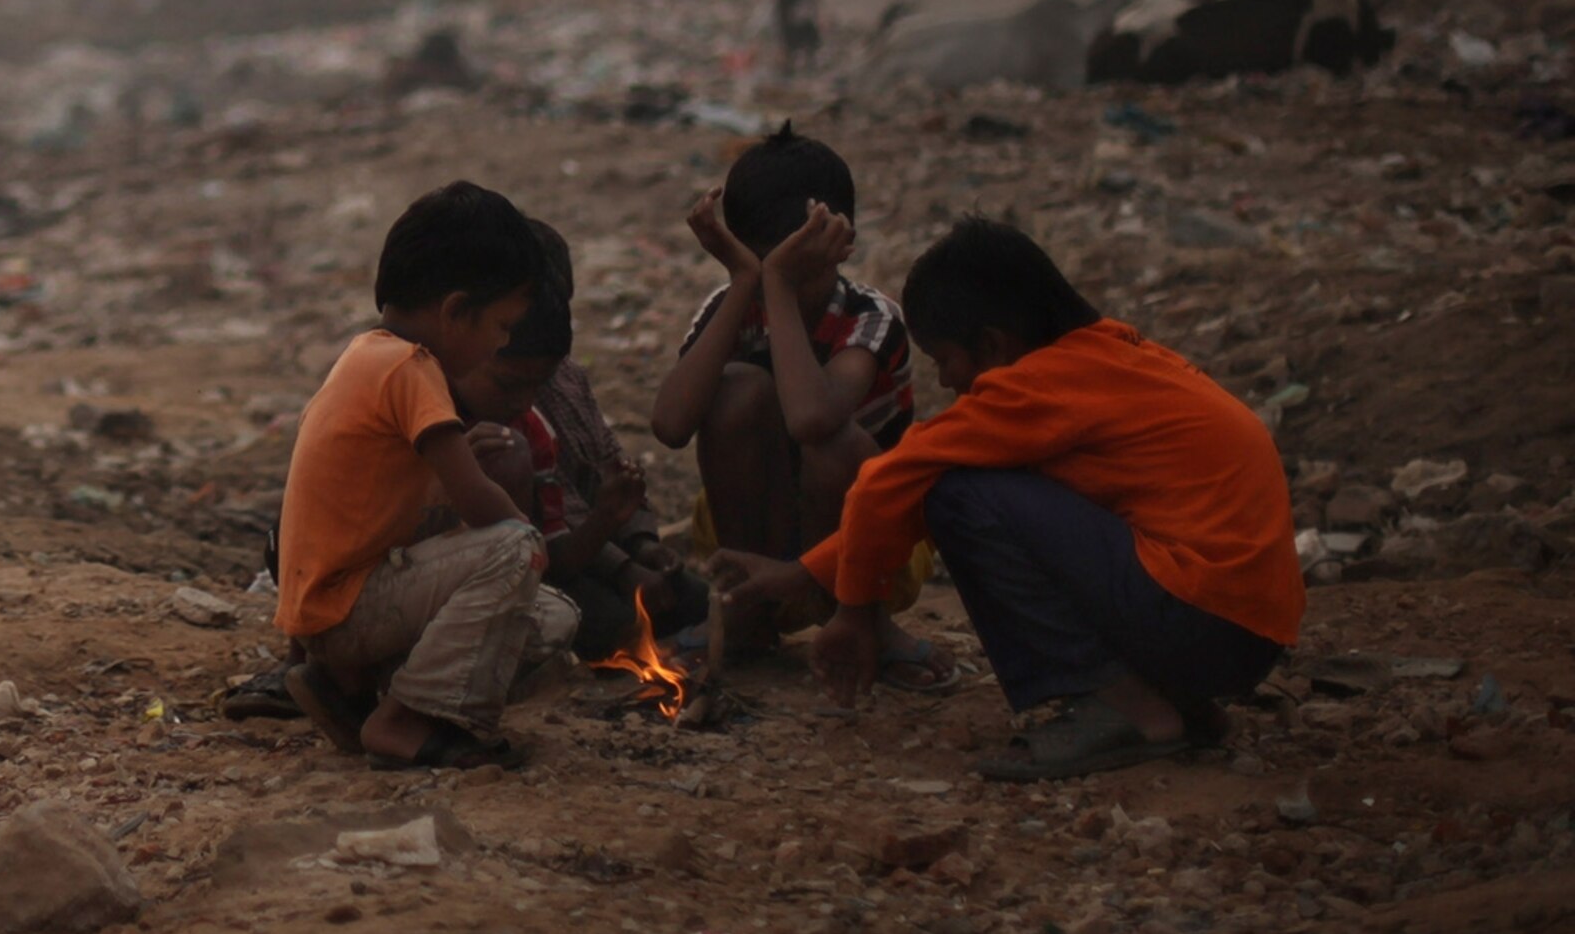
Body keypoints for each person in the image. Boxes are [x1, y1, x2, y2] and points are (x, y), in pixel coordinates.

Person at [713, 218, 1300, 781]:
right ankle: (1177, 704)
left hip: (1200, 620)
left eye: (945, 360)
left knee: (958, 492)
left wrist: (852, 613)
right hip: (1244, 633)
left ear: (993, 343)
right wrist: (803, 575)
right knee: (966, 484)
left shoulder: (1038, 388)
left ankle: (1129, 708)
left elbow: (889, 483)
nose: (945, 382)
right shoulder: (1108, 358)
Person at [648, 129, 949, 684]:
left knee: (836, 440)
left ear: (842, 241)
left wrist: (778, 287)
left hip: (868, 546)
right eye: (760, 264)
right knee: (737, 387)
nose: (771, 281)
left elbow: (813, 420)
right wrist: (745, 280)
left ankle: (864, 620)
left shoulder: (870, 316)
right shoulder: (731, 305)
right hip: (752, 530)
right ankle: (747, 615)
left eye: (790, 266)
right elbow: (669, 425)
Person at [275, 182, 554, 770]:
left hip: (327, 614)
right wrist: (530, 540)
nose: (503, 341)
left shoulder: (365, 354)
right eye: (502, 325)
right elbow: (478, 500)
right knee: (517, 552)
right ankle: (407, 721)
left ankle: (352, 693)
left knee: (552, 621)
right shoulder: (411, 367)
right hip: (347, 609)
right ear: (455, 313)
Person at [456, 221, 705, 658]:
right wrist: (623, 566)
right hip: (552, 564)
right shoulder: (479, 409)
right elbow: (544, 545)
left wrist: (641, 545)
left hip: (585, 546)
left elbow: (607, 467)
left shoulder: (562, 378)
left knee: (693, 598)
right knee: (608, 624)